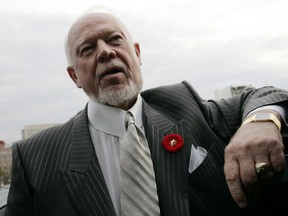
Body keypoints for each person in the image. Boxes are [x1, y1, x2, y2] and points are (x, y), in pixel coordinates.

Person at [5, 10, 288, 216]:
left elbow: (263, 94)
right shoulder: (34, 157)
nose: (105, 52)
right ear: (74, 76)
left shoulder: (184, 103)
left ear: (137, 53)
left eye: (115, 40)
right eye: (87, 49)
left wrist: (260, 121)